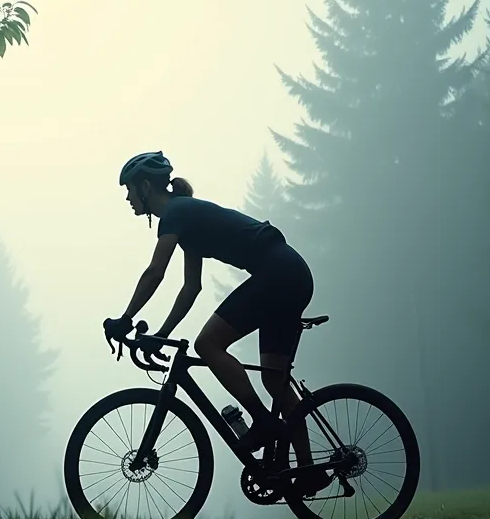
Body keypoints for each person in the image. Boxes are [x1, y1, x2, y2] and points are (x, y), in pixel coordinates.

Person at [102, 150, 330, 497]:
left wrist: (125, 319)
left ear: (146, 186)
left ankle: (264, 423)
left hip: (279, 273)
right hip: (289, 273)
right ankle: (309, 471)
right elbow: (190, 288)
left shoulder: (175, 213)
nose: (128, 198)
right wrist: (161, 335)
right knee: (273, 379)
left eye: (130, 190)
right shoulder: (186, 218)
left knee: (207, 344)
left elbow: (155, 272)